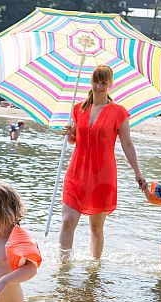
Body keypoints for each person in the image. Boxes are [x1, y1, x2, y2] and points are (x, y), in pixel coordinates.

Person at [60, 64, 146, 259]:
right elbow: (76, 139)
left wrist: (137, 172)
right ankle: (63, 268)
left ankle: (94, 268)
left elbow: (127, 143)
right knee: (67, 220)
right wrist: (70, 133)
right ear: (90, 82)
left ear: (110, 84)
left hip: (102, 175)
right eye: (96, 82)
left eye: (103, 83)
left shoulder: (118, 112)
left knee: (96, 228)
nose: (98, 87)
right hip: (77, 172)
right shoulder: (78, 108)